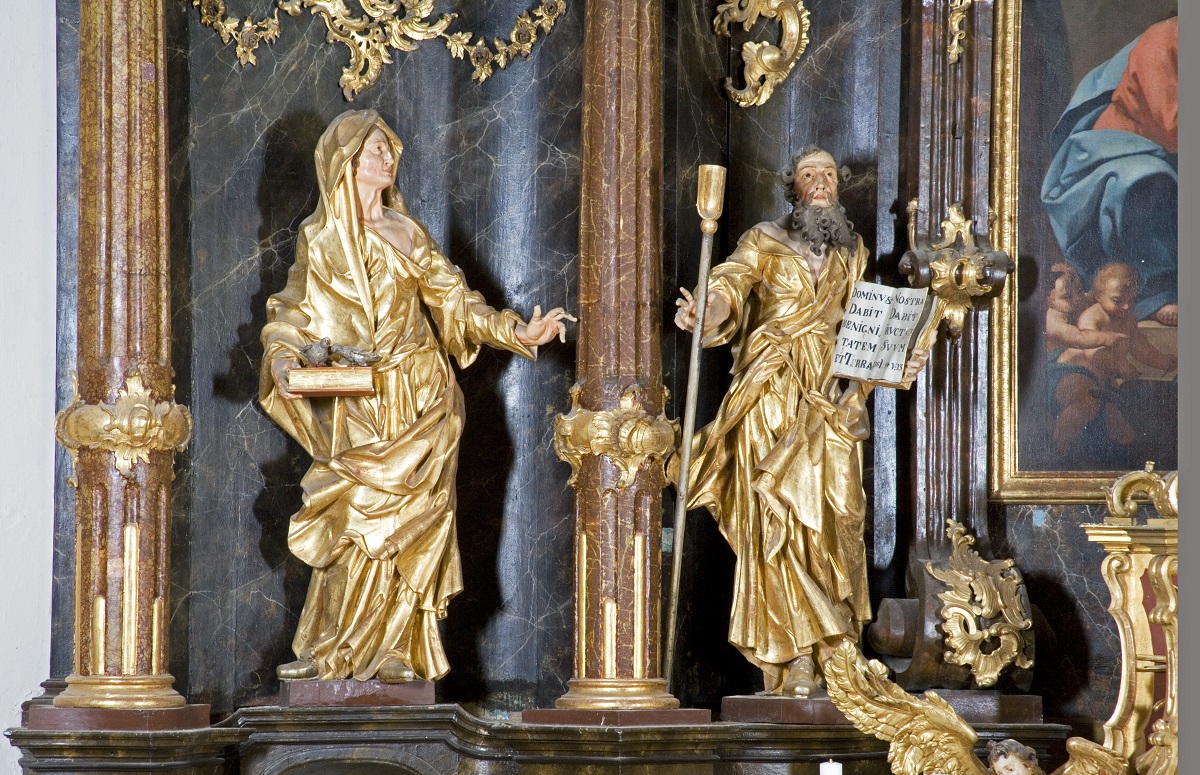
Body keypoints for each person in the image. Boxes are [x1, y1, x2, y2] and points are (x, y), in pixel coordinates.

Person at [260, 109, 573, 684]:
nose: (387, 158)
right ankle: (337, 649)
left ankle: (402, 652)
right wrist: (282, 358)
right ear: (346, 163)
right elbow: (291, 312)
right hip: (358, 403)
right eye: (374, 150)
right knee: (356, 520)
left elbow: (455, 301)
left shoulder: (407, 232)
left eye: (389, 149)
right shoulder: (322, 240)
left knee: (415, 525)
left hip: (423, 396)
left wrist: (515, 332)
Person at [674, 147, 926, 697]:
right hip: (771, 390)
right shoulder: (763, 240)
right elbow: (729, 286)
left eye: (829, 175)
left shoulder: (852, 251)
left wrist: (894, 362)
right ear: (794, 187)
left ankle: (837, 648)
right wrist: (706, 311)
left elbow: (865, 328)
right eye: (810, 174)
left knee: (838, 517)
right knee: (780, 519)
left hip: (833, 398)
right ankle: (796, 656)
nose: (820, 183)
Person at [1041, 16, 1177, 327]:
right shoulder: (1165, 38)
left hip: (1169, 154)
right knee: (1146, 179)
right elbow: (1170, 124)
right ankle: (1157, 293)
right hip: (1114, 150)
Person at [1050, 262, 1175, 454]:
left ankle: (1125, 461)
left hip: (1102, 384)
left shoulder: (1128, 320)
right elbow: (1094, 352)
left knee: (1124, 433)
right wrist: (1120, 365)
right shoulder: (1093, 318)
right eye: (1117, 301)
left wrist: (1161, 361)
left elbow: (1141, 348)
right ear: (1099, 296)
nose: (1126, 307)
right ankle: (1059, 448)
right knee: (1083, 408)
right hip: (1073, 373)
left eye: (1132, 301)